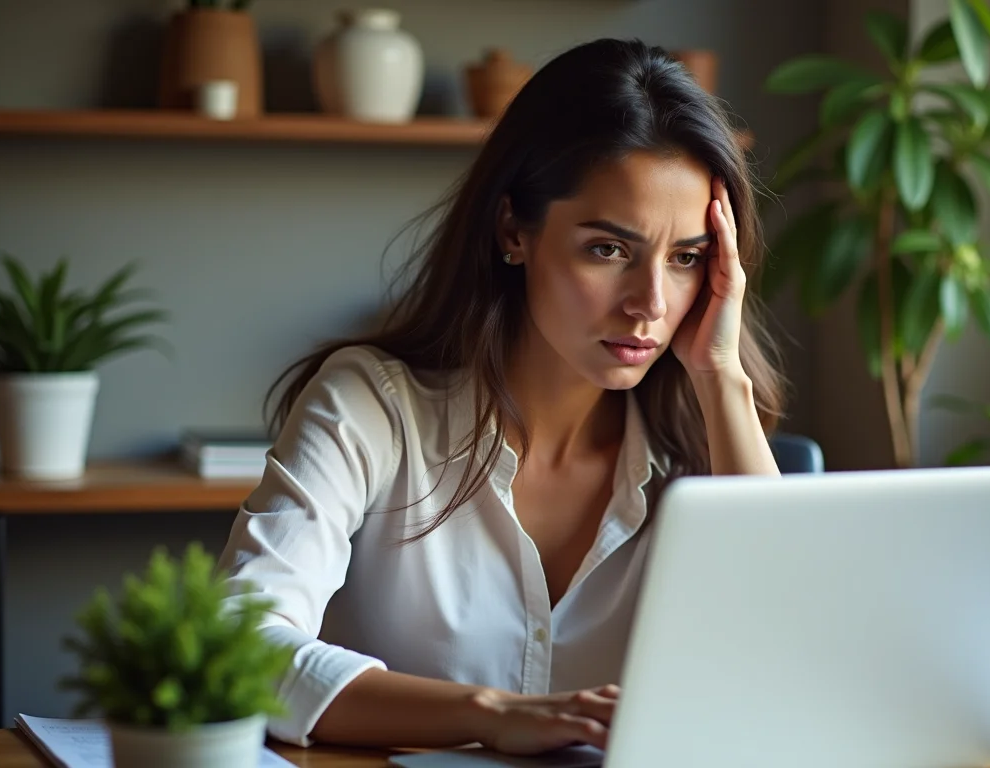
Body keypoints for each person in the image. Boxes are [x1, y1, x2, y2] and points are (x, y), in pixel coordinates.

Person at [216, 37, 787, 754]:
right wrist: (491, 714)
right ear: (513, 230)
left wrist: (722, 376)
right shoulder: (371, 407)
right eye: (608, 249)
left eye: (685, 259)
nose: (649, 303)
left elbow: (792, 669)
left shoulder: (705, 447)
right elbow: (240, 647)